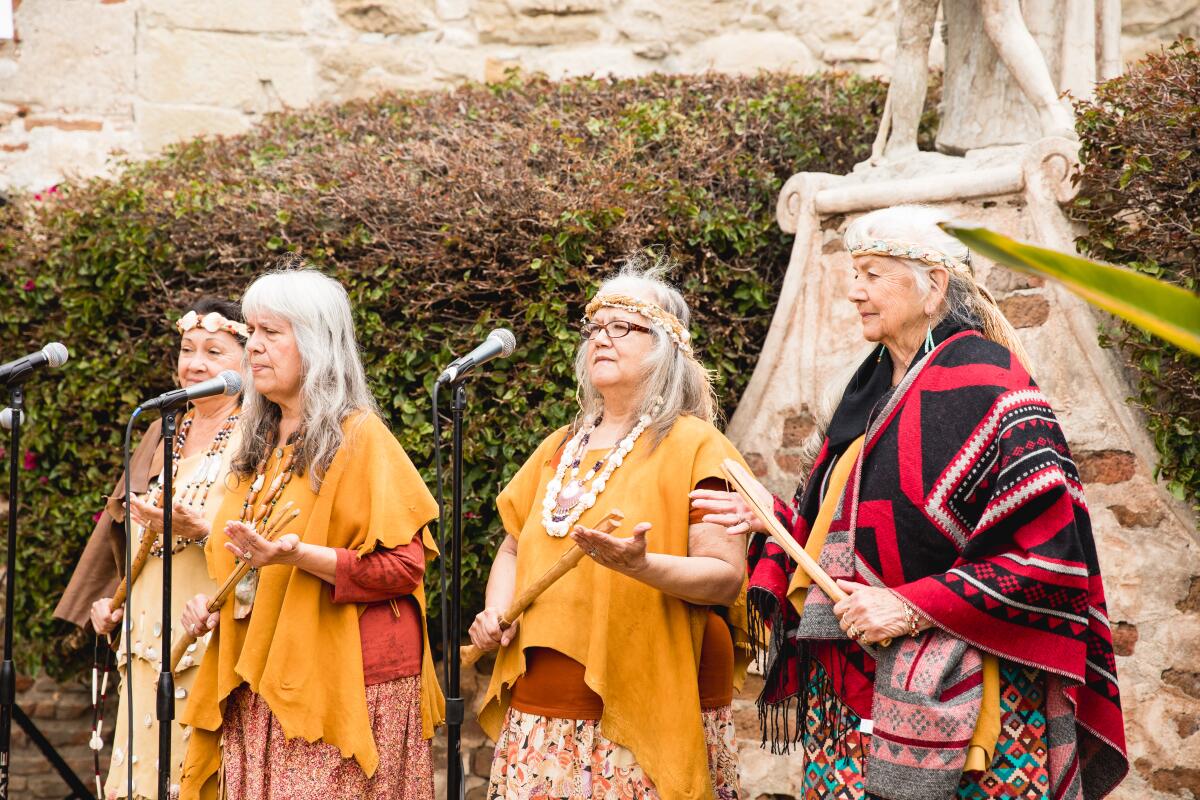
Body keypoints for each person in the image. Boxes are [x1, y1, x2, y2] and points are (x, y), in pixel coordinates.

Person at [693, 205, 1128, 800]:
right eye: (854, 274)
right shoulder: (866, 394)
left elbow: (1050, 559)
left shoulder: (995, 388)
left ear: (935, 285)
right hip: (853, 691)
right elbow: (850, 531)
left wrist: (912, 607)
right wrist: (771, 519)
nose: (854, 291)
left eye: (872, 273)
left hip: (974, 694)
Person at [469, 261, 751, 800]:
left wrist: (641, 567)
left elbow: (724, 578)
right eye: (595, 327)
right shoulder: (558, 446)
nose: (602, 337)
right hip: (540, 711)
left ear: (666, 345)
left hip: (647, 705)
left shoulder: (696, 445)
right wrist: (497, 613)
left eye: (622, 326)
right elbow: (510, 548)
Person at [177, 266, 443, 800]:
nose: (254, 347)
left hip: (344, 682)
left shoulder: (362, 436)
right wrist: (218, 601)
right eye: (250, 332)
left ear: (317, 344)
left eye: (271, 333)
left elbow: (404, 569)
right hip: (258, 676)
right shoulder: (259, 440)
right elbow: (248, 565)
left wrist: (301, 558)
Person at [55, 297, 247, 799]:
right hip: (141, 638)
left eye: (214, 351)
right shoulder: (164, 429)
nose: (195, 363)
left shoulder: (258, 435)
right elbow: (132, 536)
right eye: (187, 350)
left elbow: (260, 538)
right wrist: (112, 600)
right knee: (138, 775)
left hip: (204, 628)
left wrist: (202, 528)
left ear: (246, 362)